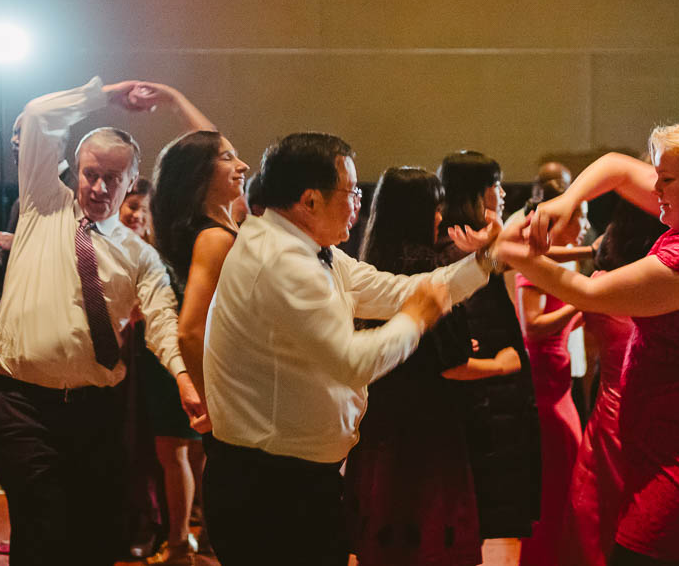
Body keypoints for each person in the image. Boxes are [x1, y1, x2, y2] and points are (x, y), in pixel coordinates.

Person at [201, 133, 502, 566]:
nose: (359, 203)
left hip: (291, 479)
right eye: (351, 191)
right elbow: (352, 362)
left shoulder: (307, 247)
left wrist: (487, 261)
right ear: (309, 201)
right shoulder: (283, 261)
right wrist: (416, 320)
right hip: (269, 487)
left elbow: (395, 289)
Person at [500, 124, 679, 565]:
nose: (655, 186)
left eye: (667, 179)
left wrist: (507, 251)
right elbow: (616, 169)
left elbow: (588, 294)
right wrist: (568, 200)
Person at [0, 77, 211, 566]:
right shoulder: (44, 203)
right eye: (90, 174)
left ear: (132, 183)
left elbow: (164, 323)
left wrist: (185, 379)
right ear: (75, 172)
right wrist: (108, 93)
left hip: (97, 411)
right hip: (21, 401)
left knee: (96, 533)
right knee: (43, 519)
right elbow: (41, 114)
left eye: (113, 177)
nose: (99, 187)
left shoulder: (140, 255)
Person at [345, 167, 524, 566]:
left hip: (380, 423)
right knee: (431, 542)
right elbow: (452, 362)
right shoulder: (428, 268)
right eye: (435, 206)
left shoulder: (369, 260)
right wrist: (499, 364)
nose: (440, 216)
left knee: (382, 539)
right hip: (428, 427)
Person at [146, 130, 252, 564]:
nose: (243, 166)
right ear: (200, 175)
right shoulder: (215, 238)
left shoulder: (228, 226)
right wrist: (212, 404)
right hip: (234, 395)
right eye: (229, 157)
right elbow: (191, 330)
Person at [437, 150, 542, 546]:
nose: (501, 194)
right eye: (495, 185)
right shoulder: (462, 246)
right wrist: (501, 366)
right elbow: (472, 340)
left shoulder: (474, 241)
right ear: (477, 192)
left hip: (493, 405)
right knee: (492, 528)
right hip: (487, 407)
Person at [569, 201, 666, 566]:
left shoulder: (599, 286)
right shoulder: (672, 285)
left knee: (599, 524)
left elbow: (591, 363)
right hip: (662, 418)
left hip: (609, 415)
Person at [515, 211, 584, 566]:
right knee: (555, 484)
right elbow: (533, 328)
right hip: (545, 388)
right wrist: (583, 301)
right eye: (580, 218)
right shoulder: (535, 267)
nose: (585, 226)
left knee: (567, 478)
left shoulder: (554, 265)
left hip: (560, 384)